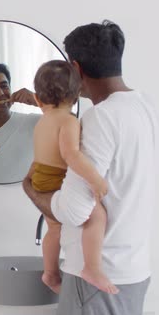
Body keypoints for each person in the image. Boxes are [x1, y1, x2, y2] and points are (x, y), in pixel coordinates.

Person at [21, 21, 159, 315]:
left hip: (96, 277)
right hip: (134, 269)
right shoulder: (145, 106)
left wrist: (30, 189)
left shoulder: (100, 117)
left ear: (75, 67)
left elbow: (74, 210)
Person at [28, 59, 118, 295]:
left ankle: (50, 273)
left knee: (54, 229)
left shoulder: (41, 122)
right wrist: (95, 180)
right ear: (77, 95)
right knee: (96, 215)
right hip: (55, 178)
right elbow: (71, 156)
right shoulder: (68, 121)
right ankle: (92, 267)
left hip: (41, 178)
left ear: (37, 99)